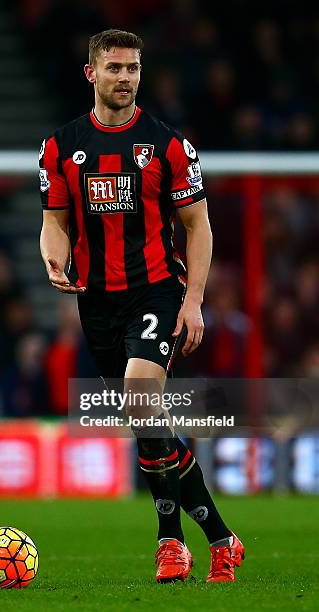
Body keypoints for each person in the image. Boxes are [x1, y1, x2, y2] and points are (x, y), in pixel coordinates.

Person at [39, 29, 244, 583]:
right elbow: (54, 221)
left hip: (156, 290)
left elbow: (198, 225)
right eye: (114, 68)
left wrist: (195, 300)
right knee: (147, 422)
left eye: (133, 68)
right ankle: (221, 538)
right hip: (98, 302)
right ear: (91, 74)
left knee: (138, 396)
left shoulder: (167, 145)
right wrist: (53, 261)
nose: (125, 77)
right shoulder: (61, 147)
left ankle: (170, 542)